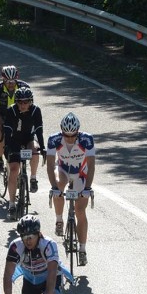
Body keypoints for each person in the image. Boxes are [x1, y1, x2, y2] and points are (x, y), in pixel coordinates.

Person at [46, 112, 97, 266]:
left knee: (80, 211)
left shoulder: (87, 139)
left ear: (78, 131)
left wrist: (87, 188)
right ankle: (59, 219)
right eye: (66, 135)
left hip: (81, 173)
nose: (69, 138)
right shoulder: (53, 139)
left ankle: (82, 250)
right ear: (61, 131)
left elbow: (92, 165)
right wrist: (54, 188)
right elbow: (49, 165)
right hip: (63, 170)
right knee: (59, 184)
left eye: (72, 136)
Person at [1, 86, 45, 219]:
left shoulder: (36, 110)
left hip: (28, 139)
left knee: (35, 151)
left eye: (26, 102)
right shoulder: (11, 110)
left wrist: (42, 147)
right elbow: (7, 131)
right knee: (14, 170)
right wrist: (8, 146)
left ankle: (33, 178)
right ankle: (12, 204)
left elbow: (39, 130)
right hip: (14, 140)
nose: (23, 105)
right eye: (20, 102)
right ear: (16, 102)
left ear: (31, 102)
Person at [0, 65, 31, 173]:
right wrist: (3, 126)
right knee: (1, 134)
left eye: (13, 81)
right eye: (7, 81)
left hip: (20, 115)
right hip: (2, 116)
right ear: (3, 79)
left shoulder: (24, 87)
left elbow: (30, 109)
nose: (10, 83)